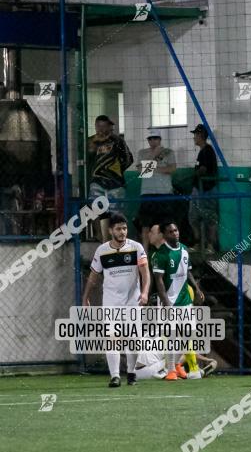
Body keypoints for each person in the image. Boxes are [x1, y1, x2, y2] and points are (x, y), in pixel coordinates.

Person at [81, 212, 149, 387]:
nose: (122, 232)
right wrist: (86, 297)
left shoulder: (136, 248)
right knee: (112, 337)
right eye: (118, 229)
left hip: (133, 302)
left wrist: (144, 292)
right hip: (111, 302)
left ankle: (132, 373)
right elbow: (93, 276)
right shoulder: (102, 250)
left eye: (125, 228)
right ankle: (115, 376)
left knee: (133, 341)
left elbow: (145, 272)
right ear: (111, 230)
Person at [151, 220, 205, 379]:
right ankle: (170, 372)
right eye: (171, 232)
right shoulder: (159, 255)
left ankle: (183, 368)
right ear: (164, 235)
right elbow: (158, 280)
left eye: (176, 230)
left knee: (188, 334)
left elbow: (188, 272)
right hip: (169, 302)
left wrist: (196, 288)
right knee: (171, 336)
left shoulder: (184, 250)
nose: (175, 233)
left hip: (185, 301)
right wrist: (166, 303)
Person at [86, 115, 133, 241]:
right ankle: (101, 238)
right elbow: (87, 158)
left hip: (116, 182)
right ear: (96, 126)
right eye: (100, 126)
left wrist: (117, 171)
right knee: (95, 208)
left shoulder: (117, 141)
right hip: (97, 180)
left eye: (106, 126)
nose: (103, 129)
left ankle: (116, 239)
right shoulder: (90, 141)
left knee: (116, 213)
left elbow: (129, 159)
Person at [136, 131, 176, 252]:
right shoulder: (142, 153)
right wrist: (154, 154)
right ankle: (145, 253)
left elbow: (172, 168)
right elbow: (141, 171)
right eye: (150, 139)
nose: (153, 141)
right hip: (147, 193)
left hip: (165, 192)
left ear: (160, 139)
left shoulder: (169, 152)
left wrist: (152, 168)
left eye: (155, 138)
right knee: (145, 225)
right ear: (148, 140)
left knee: (166, 224)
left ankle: (168, 250)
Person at [189, 124, 219, 253]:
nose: (194, 138)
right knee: (194, 217)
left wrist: (193, 174)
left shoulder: (207, 150)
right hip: (199, 189)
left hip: (206, 190)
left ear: (200, 135)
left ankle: (210, 245)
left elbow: (203, 169)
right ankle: (198, 244)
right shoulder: (203, 151)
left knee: (209, 218)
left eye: (195, 135)